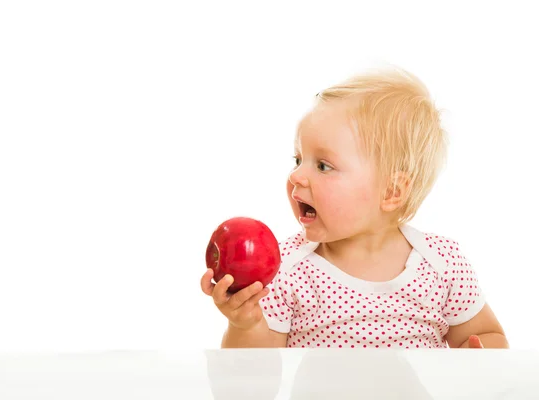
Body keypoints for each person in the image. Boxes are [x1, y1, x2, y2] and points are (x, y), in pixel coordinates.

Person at [200, 66, 508, 350]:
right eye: (297, 160)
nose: (296, 176)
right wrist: (245, 324)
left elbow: (489, 336)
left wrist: (476, 356)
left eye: (323, 165)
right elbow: (254, 376)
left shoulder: (442, 265)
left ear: (391, 192)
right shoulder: (286, 271)